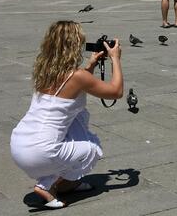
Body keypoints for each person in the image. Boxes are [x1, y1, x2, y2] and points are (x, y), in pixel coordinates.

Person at [10, 21, 123, 209]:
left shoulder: (44, 70)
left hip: (19, 144)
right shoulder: (77, 76)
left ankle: (71, 183)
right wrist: (115, 58)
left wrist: (91, 65)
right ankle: (47, 185)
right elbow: (116, 92)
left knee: (78, 115)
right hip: (40, 152)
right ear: (74, 45)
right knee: (92, 149)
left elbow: (73, 88)